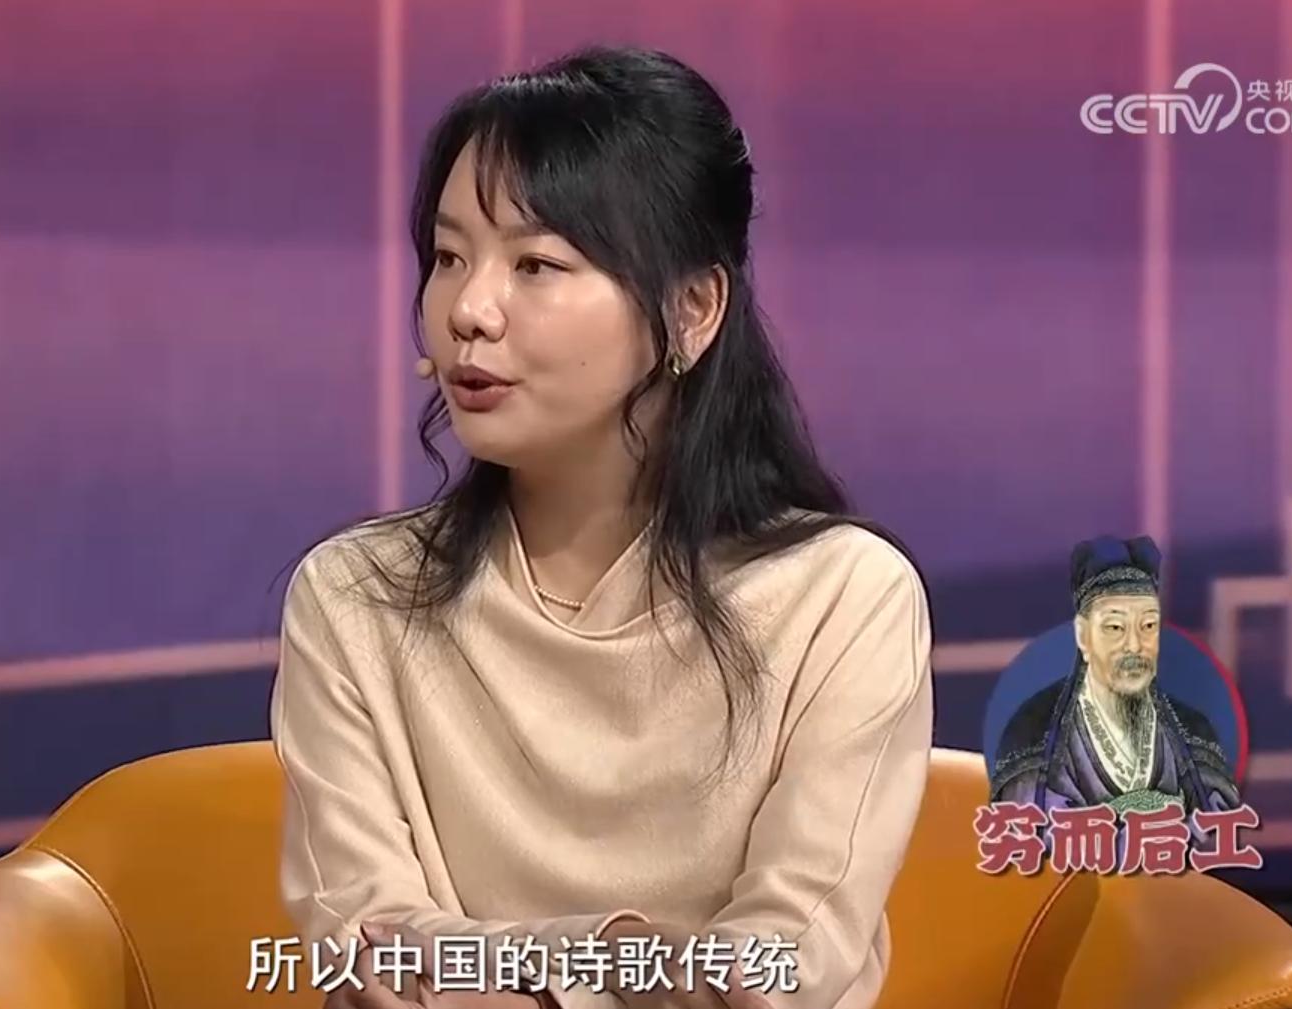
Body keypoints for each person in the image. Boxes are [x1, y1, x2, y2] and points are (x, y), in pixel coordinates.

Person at [269, 46, 933, 1009]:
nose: (469, 311)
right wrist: (621, 957)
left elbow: (779, 969)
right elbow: (369, 954)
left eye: (535, 264)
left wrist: (509, 972)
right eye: (449, 257)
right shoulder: (354, 596)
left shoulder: (842, 598)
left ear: (691, 311)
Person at [988, 536, 1241, 819]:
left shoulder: (1193, 732)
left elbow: (1219, 827)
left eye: (1148, 625)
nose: (1134, 645)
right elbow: (1027, 828)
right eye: (1115, 627)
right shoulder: (1034, 733)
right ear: (1083, 636)